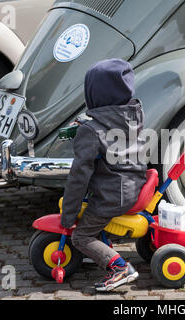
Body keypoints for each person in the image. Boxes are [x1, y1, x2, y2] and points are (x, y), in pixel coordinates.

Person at [60, 58, 147, 291]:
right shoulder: (133, 117)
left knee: (81, 237)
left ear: (93, 93)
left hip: (113, 194)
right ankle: (101, 251)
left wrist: (68, 216)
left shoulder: (91, 130)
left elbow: (79, 177)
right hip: (134, 183)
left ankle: (119, 268)